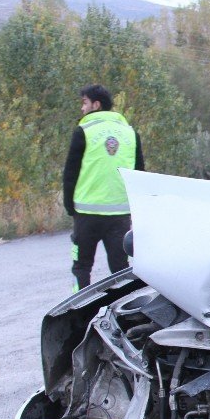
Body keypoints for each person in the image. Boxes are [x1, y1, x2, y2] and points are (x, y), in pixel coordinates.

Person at [63, 84, 144, 291]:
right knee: (120, 270)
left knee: (82, 267)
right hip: (120, 215)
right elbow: (139, 174)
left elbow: (70, 172)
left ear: (96, 105)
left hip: (87, 214)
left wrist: (70, 207)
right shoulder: (130, 133)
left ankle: (78, 315)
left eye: (85, 103)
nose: (82, 108)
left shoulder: (84, 131)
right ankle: (123, 316)